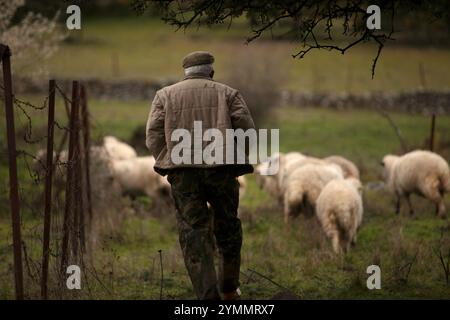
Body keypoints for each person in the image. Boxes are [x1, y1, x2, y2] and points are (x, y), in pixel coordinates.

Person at [145, 51, 255, 300]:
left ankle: (207, 298)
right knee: (227, 227)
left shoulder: (165, 95)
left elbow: (153, 135)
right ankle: (229, 289)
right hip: (221, 170)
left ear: (185, 73)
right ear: (211, 72)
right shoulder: (228, 93)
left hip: (183, 174)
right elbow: (247, 130)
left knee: (194, 232)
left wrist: (170, 160)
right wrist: (234, 159)